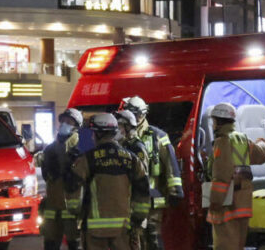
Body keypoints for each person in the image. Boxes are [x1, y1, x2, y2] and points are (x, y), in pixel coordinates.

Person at [66, 113, 149, 250]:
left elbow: (73, 188)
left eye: (93, 133)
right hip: (124, 230)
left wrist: (76, 212)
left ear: (98, 134)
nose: (91, 136)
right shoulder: (132, 159)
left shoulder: (87, 159)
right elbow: (143, 190)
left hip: (94, 233)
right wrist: (137, 219)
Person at [119, 96, 183, 250]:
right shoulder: (121, 137)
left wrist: (175, 191)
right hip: (128, 199)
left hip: (152, 199)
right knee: (132, 239)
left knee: (152, 238)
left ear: (141, 114)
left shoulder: (157, 136)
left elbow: (170, 164)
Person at [206, 103, 265, 250]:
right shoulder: (242, 139)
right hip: (243, 205)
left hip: (226, 206)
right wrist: (262, 142)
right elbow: (262, 155)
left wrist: (214, 204)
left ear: (217, 121)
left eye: (214, 121)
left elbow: (222, 177)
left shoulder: (222, 142)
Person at [34, 108, 84, 250]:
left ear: (76, 126)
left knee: (75, 244)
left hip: (73, 208)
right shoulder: (50, 148)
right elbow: (45, 175)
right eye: (62, 121)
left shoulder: (81, 147)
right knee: (50, 244)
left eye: (68, 122)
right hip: (52, 207)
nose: (64, 124)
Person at [115, 111, 148, 250]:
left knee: (134, 242)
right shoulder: (122, 146)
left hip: (134, 205)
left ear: (128, 127)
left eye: (120, 126)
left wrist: (137, 214)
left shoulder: (136, 147)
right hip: (125, 204)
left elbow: (141, 178)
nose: (117, 129)